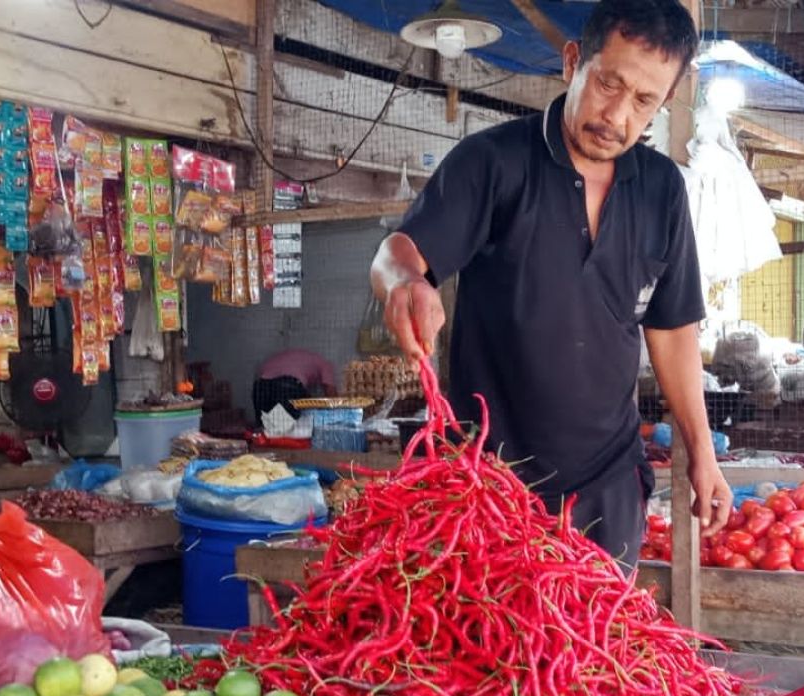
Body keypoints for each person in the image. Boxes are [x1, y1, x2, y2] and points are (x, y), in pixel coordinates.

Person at [369, 0, 732, 569]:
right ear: (573, 63)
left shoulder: (662, 189)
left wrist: (702, 456)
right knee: (489, 653)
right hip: (487, 487)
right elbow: (400, 252)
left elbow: (672, 328)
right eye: (608, 84)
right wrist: (405, 283)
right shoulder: (493, 162)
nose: (617, 115)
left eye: (644, 101)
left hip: (607, 486)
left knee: (595, 651)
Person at [252, 348, 337, 419]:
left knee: (265, 427)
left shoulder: (301, 357)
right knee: (298, 422)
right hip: (287, 386)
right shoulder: (325, 364)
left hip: (260, 386)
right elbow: (332, 398)